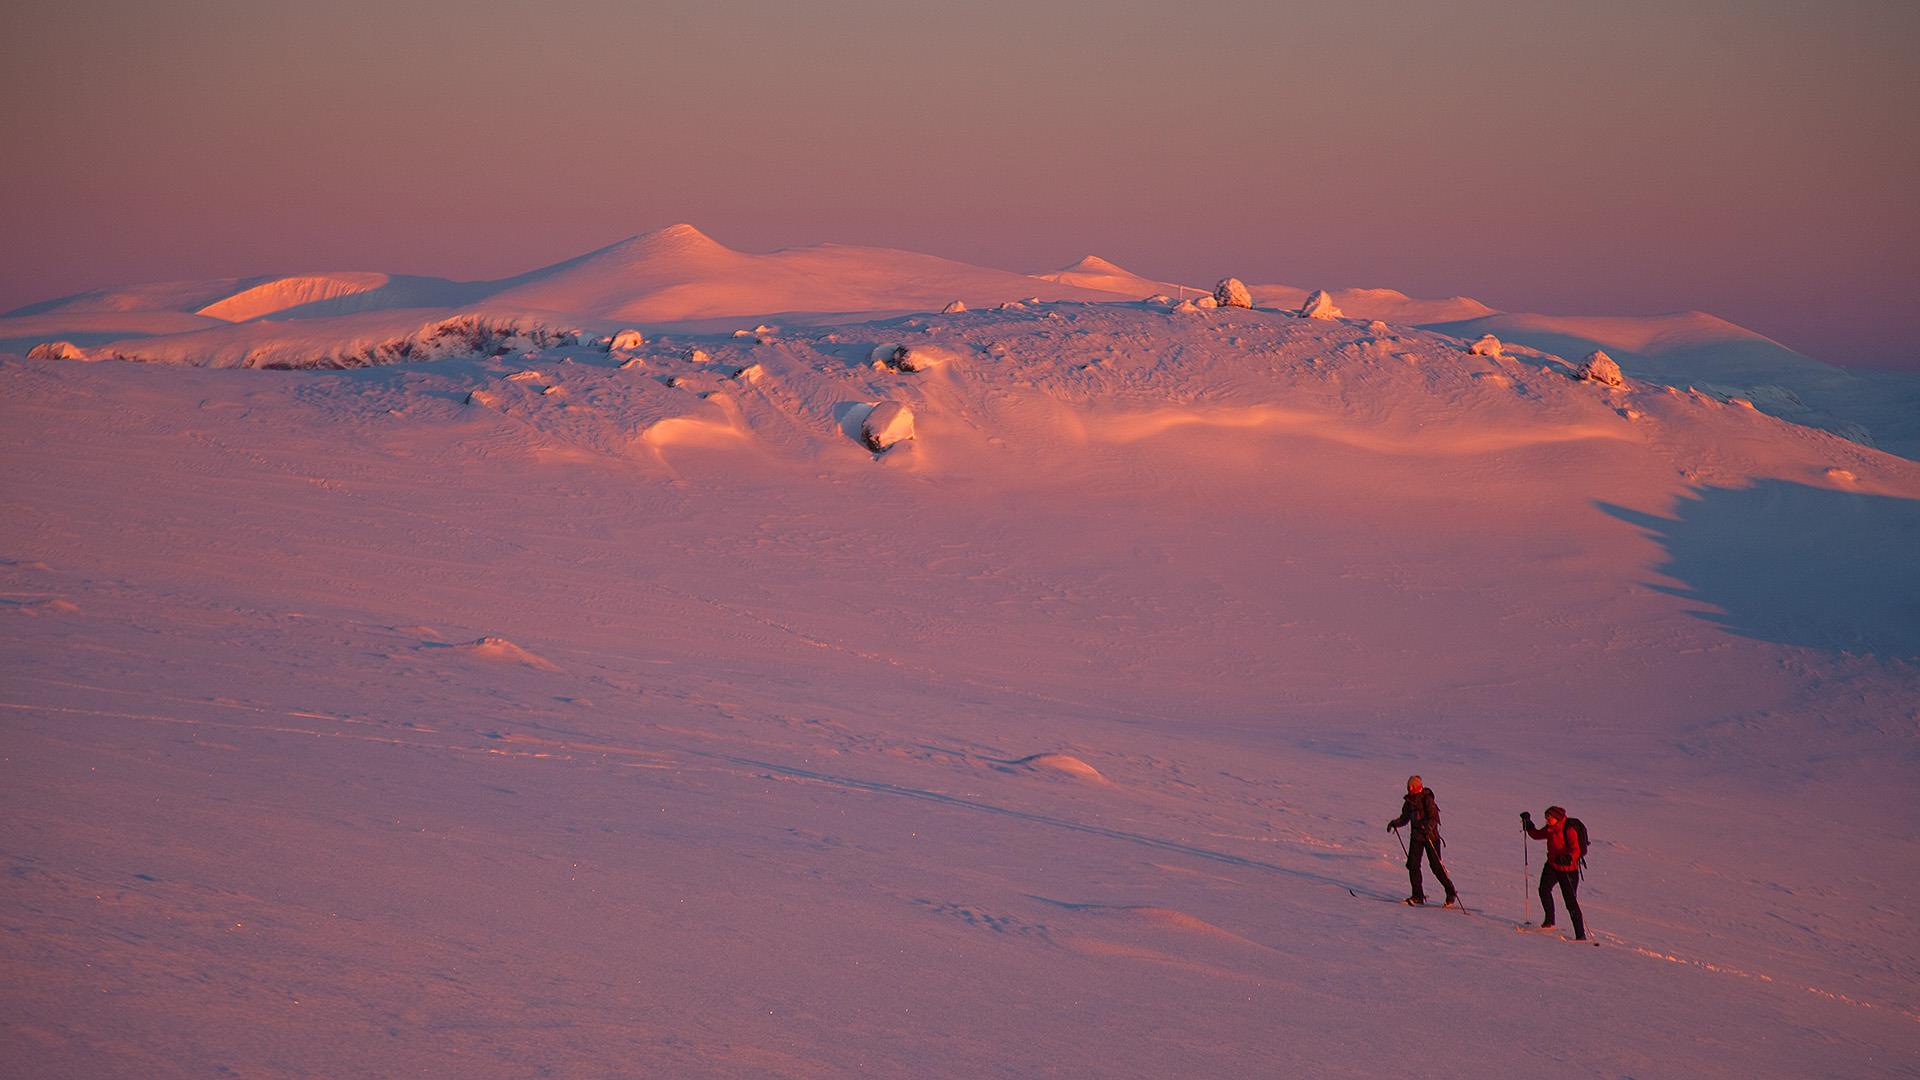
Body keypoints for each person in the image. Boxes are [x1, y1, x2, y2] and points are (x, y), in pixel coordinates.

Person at [1387, 775, 1457, 907]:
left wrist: (1427, 827)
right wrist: (1394, 823)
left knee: (1436, 867)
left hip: (1430, 837)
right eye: (1409, 786)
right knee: (1412, 865)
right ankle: (1417, 895)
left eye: (1412, 786)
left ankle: (1451, 892)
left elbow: (1434, 818)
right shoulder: (1409, 802)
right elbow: (1405, 818)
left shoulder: (1427, 799)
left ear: (1418, 786)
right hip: (1416, 837)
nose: (1410, 789)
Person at [1522, 806, 1586, 940]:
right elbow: (1537, 835)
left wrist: (1568, 858)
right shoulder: (1550, 828)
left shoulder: (1569, 829)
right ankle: (1549, 921)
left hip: (1568, 870)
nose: (1546, 820)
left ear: (1557, 818)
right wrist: (1528, 824)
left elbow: (1576, 850)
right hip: (1552, 865)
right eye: (1546, 818)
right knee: (1544, 889)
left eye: (1549, 818)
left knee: (1570, 902)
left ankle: (1580, 935)